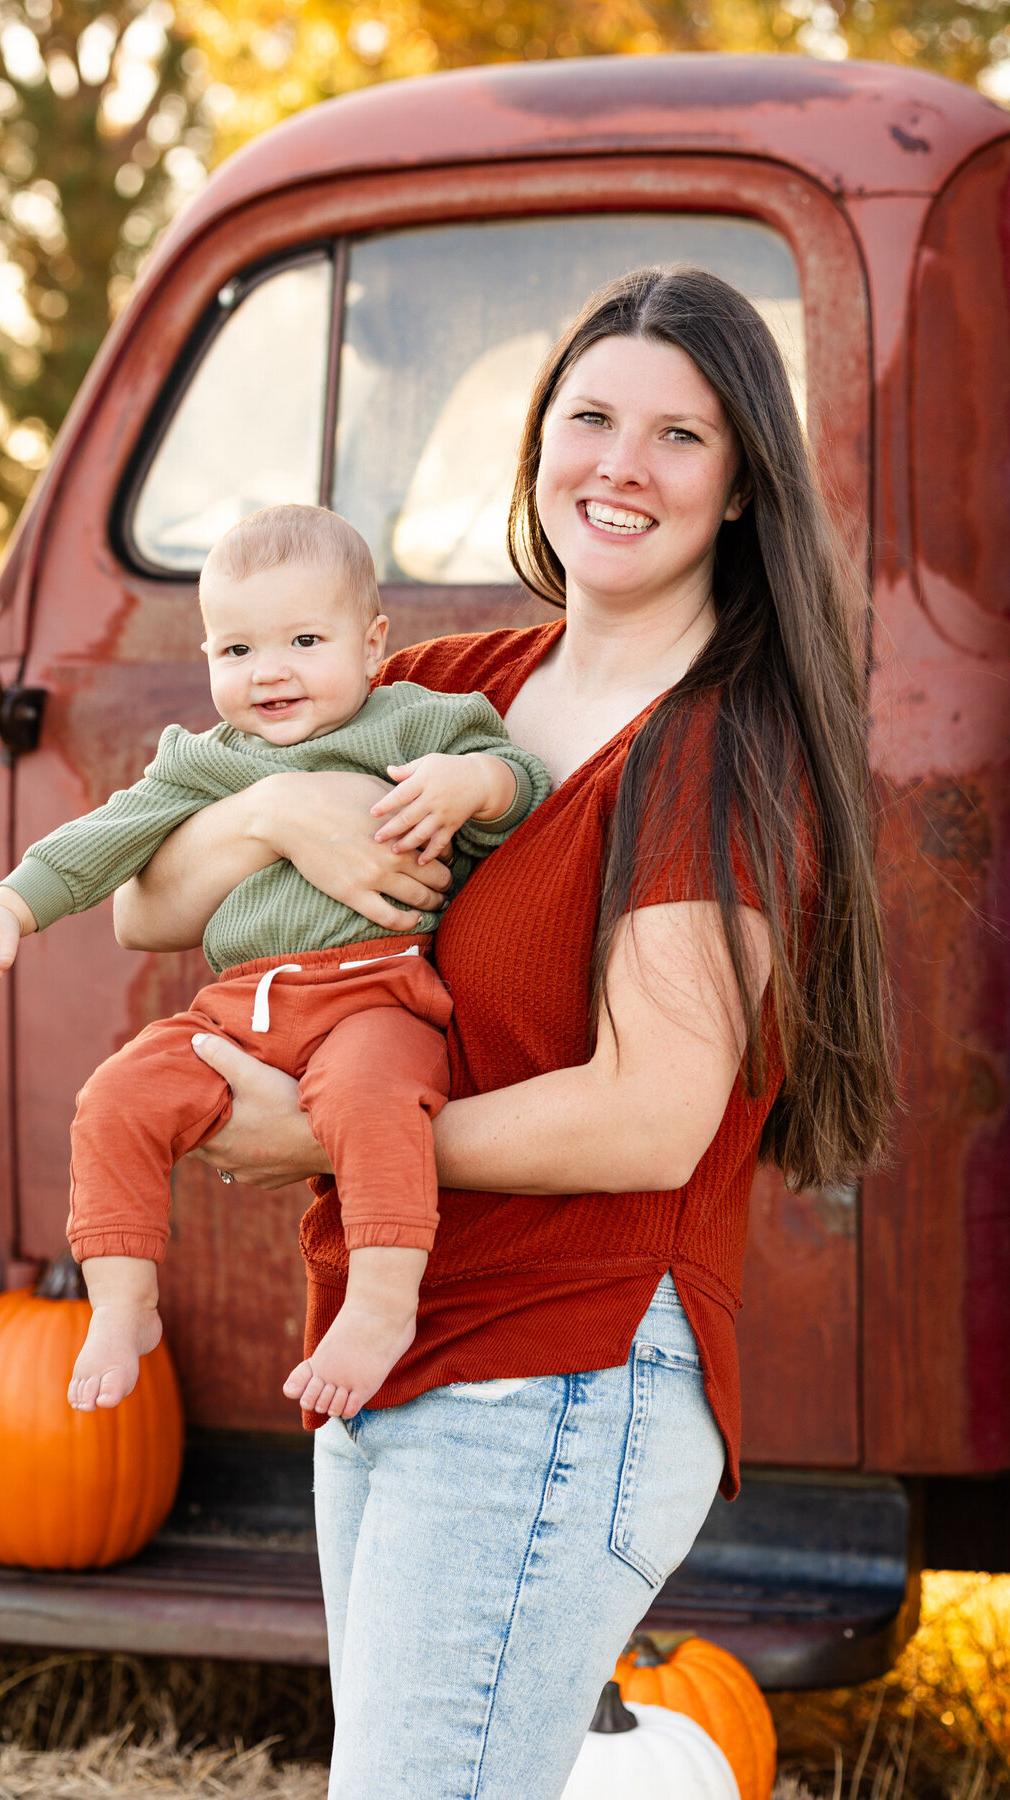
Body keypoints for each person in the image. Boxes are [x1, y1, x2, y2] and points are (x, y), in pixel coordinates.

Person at [114, 265, 897, 1799]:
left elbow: (650, 1112)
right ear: (539, 440)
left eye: (680, 436)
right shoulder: (448, 690)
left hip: (561, 1376)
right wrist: (271, 801)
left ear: (742, 488)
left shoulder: (713, 751)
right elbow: (150, 891)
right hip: (404, 1347)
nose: (620, 463)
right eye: (590, 416)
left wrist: (332, 1140)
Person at [0, 505, 550, 1422]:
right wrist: (11, 907)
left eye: (304, 640)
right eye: (234, 651)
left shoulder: (416, 723)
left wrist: (472, 783)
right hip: (240, 1008)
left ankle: (383, 1303)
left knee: (372, 1101)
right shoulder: (205, 763)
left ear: (370, 642)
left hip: (374, 995)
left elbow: (521, 781)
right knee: (112, 1099)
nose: (267, 671)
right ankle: (123, 1304)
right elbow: (105, 841)